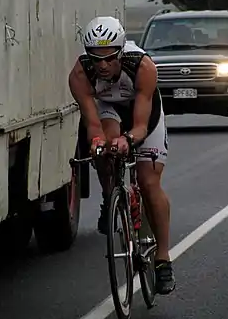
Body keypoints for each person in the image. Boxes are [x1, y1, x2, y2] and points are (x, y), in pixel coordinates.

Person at [68, 16, 175, 295]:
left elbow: (140, 126)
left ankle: (163, 259)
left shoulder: (142, 66)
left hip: (143, 114)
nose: (102, 65)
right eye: (95, 58)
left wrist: (128, 140)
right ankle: (110, 195)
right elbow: (93, 125)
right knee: (103, 146)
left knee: (148, 181)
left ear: (121, 51)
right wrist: (99, 143)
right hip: (108, 110)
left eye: (109, 58)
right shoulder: (80, 75)